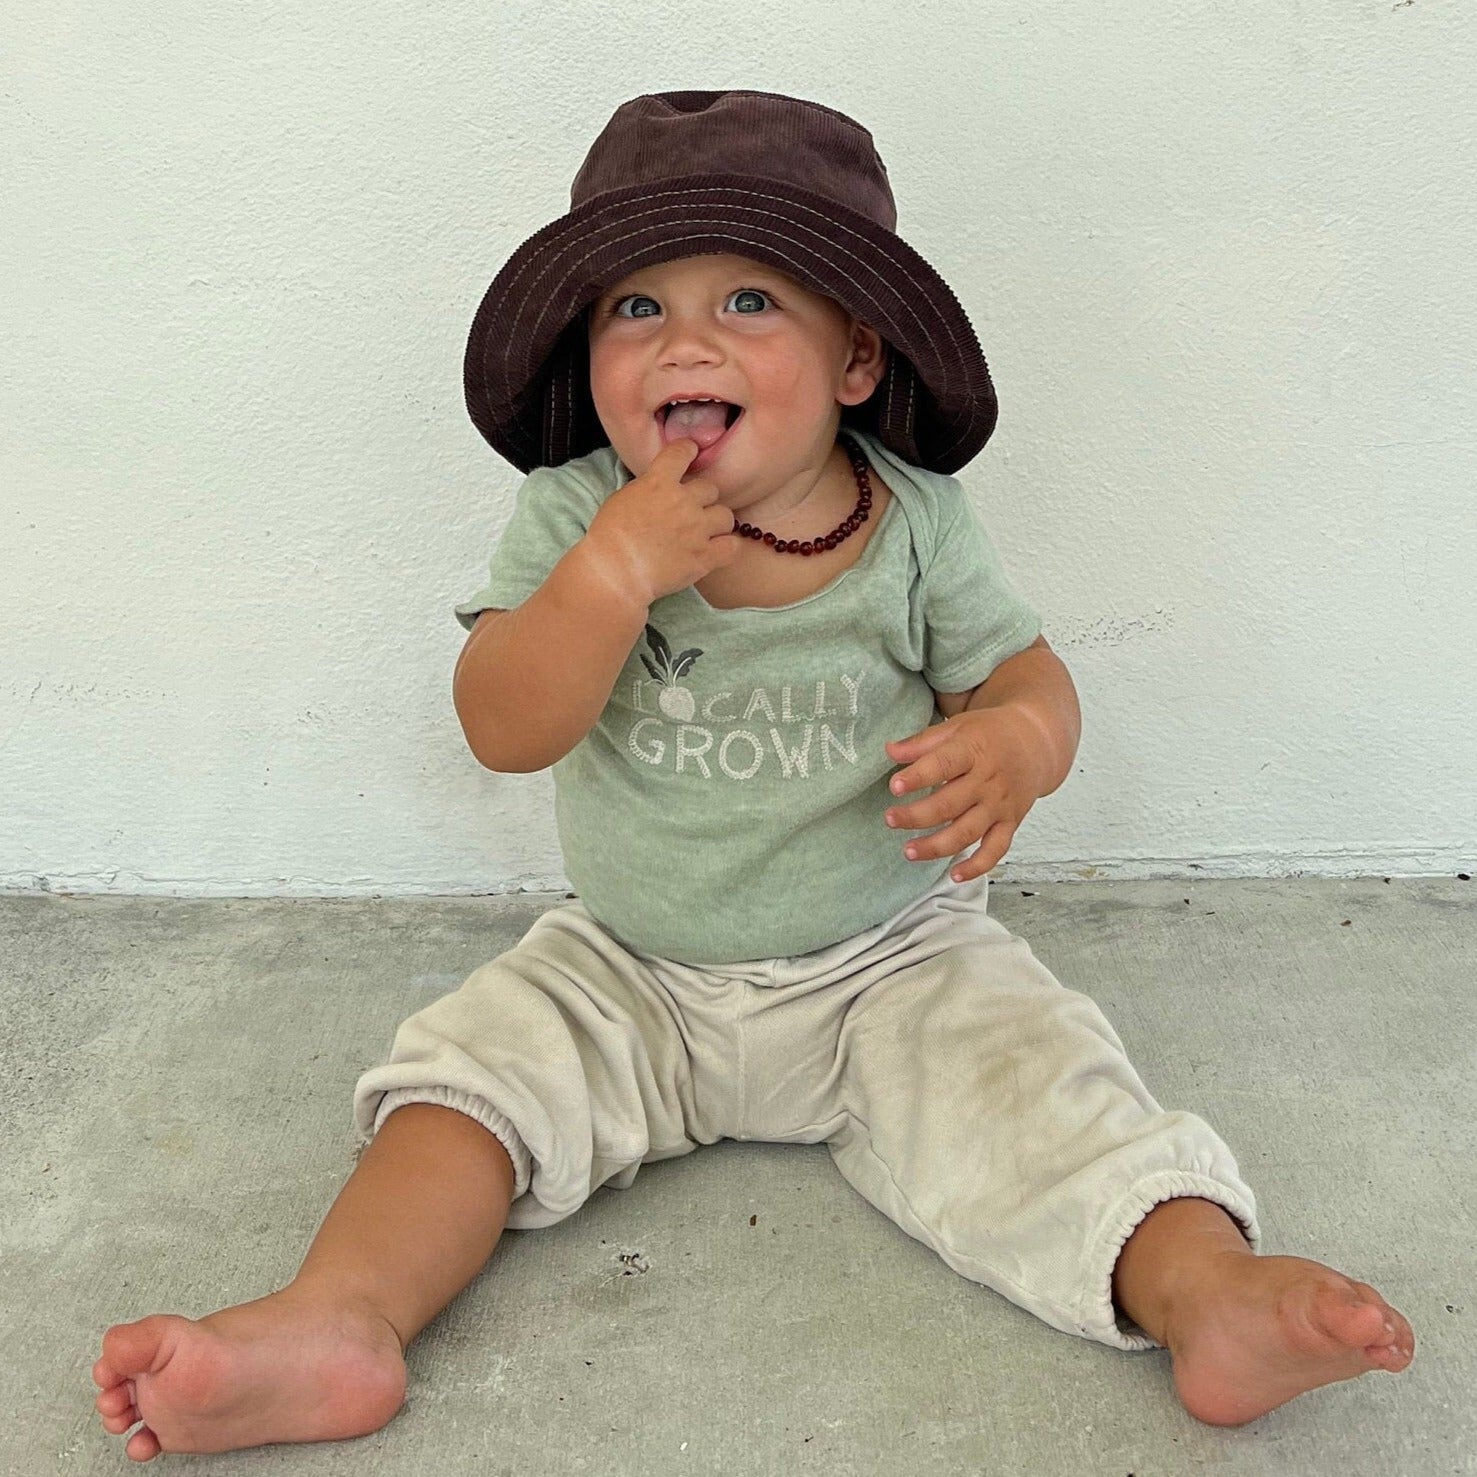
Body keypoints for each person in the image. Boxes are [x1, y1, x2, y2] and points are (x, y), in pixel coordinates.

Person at [92, 90, 1414, 1461]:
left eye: (743, 303)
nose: (680, 341)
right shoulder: (571, 512)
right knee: (458, 1088)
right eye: (634, 310)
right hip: (631, 966)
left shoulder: (908, 520)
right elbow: (502, 722)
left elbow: (1022, 677)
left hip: (887, 957)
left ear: (855, 358)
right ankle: (339, 1318)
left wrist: (1016, 741)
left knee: (1044, 1078)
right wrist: (608, 572)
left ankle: (1205, 1294)